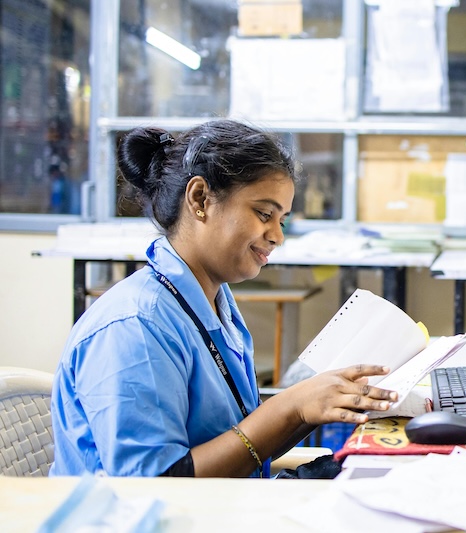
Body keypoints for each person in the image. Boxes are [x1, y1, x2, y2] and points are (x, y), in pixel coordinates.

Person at [50, 119, 398, 477]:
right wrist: (290, 408)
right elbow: (155, 483)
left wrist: (320, 402)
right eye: (264, 214)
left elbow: (239, 440)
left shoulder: (214, 301)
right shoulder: (135, 326)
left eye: (283, 220)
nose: (277, 236)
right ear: (200, 198)